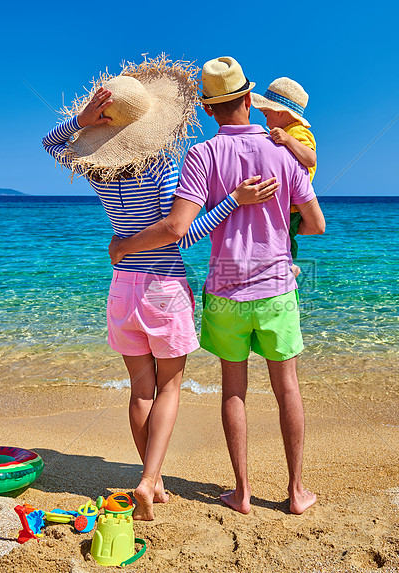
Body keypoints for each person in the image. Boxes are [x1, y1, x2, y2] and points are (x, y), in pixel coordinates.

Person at [41, 56, 277, 521]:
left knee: (140, 391)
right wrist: (234, 200)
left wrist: (81, 121)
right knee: (169, 389)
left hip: (122, 289)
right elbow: (181, 232)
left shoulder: (98, 170)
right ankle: (148, 480)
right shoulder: (163, 167)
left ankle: (156, 479)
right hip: (163, 287)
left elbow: (51, 145)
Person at [109, 56, 325, 515]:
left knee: (233, 390)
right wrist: (283, 232)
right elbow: (317, 224)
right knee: (287, 387)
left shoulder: (201, 155)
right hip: (276, 288)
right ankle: (295, 491)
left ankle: (242, 492)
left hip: (225, 290)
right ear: (250, 99)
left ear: (209, 109)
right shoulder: (283, 152)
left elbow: (183, 232)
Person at [251, 78, 317, 279]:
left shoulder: (297, 132)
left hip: (294, 205)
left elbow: (310, 158)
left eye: (267, 112)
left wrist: (288, 140)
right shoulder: (283, 132)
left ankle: (290, 268)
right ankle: (285, 267)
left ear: (280, 112)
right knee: (280, 239)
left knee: (285, 240)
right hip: (287, 202)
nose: (264, 117)